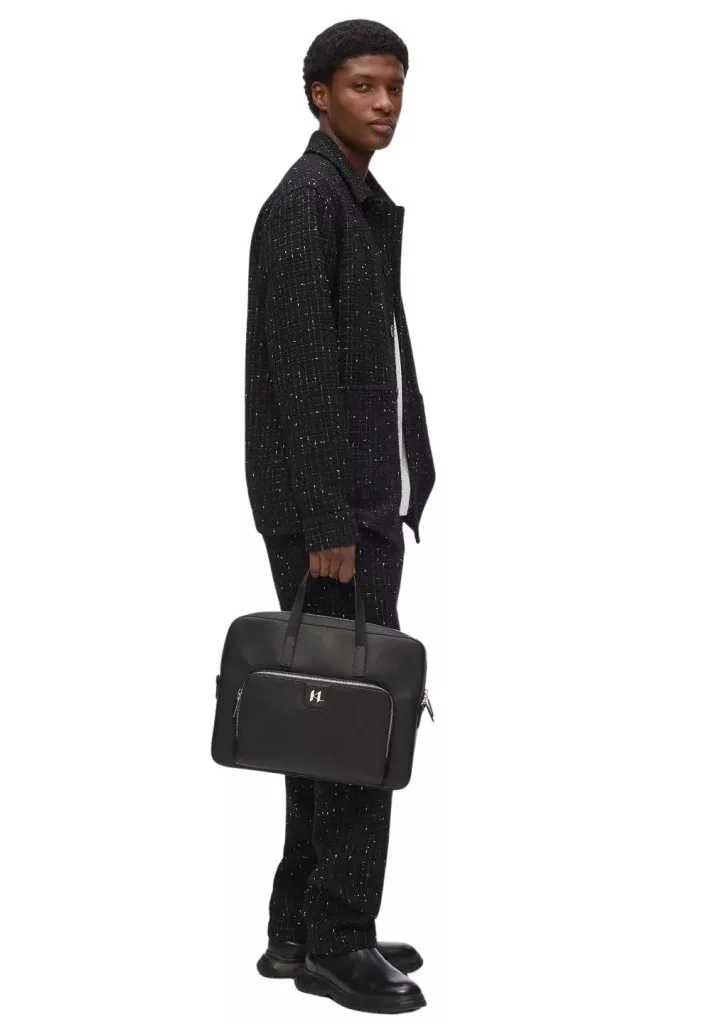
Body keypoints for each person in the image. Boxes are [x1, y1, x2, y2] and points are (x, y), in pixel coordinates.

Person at [243, 19, 436, 1015]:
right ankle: (339, 942)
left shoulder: (349, 202)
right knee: (359, 727)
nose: (385, 104)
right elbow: (303, 375)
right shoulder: (306, 205)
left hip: (356, 507)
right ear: (319, 94)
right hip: (335, 518)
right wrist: (328, 518)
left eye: (394, 86)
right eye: (363, 86)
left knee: (323, 720)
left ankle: (299, 926)